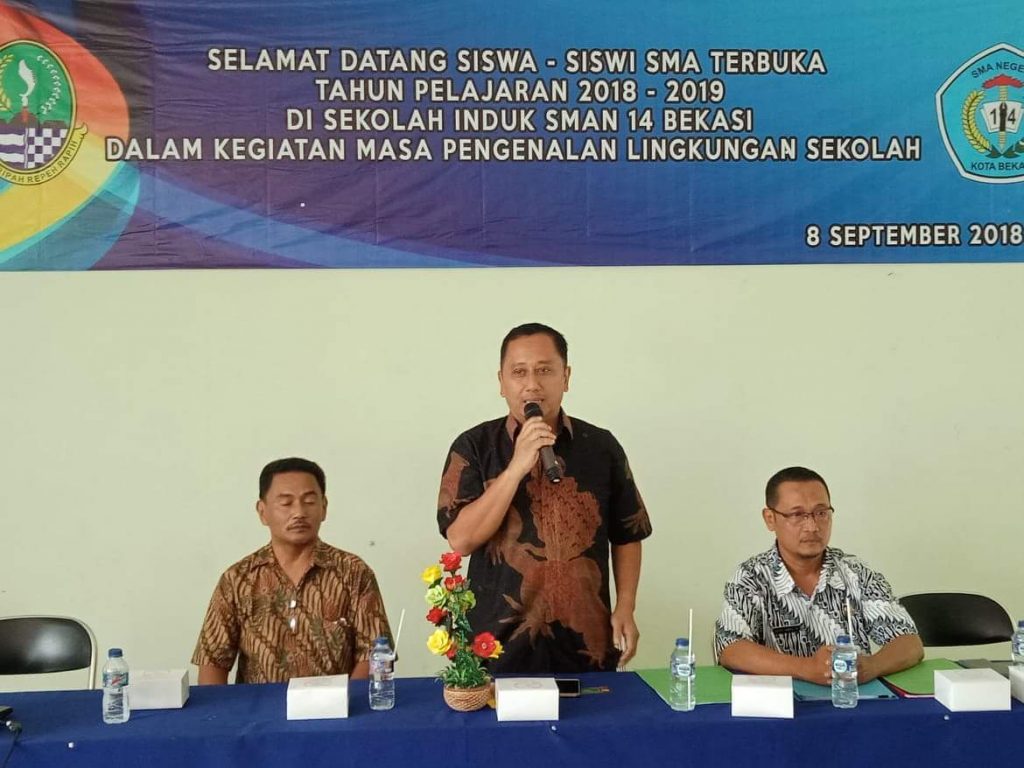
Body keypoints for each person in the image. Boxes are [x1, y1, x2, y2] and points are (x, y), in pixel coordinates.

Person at [437, 323, 652, 673]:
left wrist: (626, 606)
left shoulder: (601, 447)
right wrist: (515, 468)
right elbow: (461, 540)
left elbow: (628, 533)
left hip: (585, 644)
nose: (532, 385)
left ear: (566, 377)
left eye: (545, 371)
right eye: (519, 372)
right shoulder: (474, 447)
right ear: (501, 382)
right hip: (495, 646)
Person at [714, 466, 923, 683]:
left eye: (821, 513)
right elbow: (730, 648)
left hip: (849, 695)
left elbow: (909, 642)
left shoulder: (856, 572)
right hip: (781, 700)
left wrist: (871, 666)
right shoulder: (749, 578)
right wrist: (806, 668)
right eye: (797, 515)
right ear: (770, 519)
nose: (812, 526)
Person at [192, 458, 392, 683]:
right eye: (286, 503)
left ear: (324, 507)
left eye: (309, 501)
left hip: (339, 703)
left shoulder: (354, 572)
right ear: (262, 512)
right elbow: (213, 661)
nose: (299, 512)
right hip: (259, 705)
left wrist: (347, 698)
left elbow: (377, 655)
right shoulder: (238, 579)